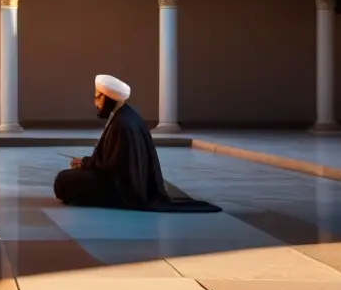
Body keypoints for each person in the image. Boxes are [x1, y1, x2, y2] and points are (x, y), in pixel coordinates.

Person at [53, 74, 219, 212]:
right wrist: (86, 162)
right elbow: (112, 161)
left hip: (122, 189)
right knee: (68, 179)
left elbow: (112, 168)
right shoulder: (124, 116)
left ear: (109, 98)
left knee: (63, 180)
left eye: (98, 97)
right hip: (121, 181)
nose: (96, 103)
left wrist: (84, 163)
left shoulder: (123, 124)